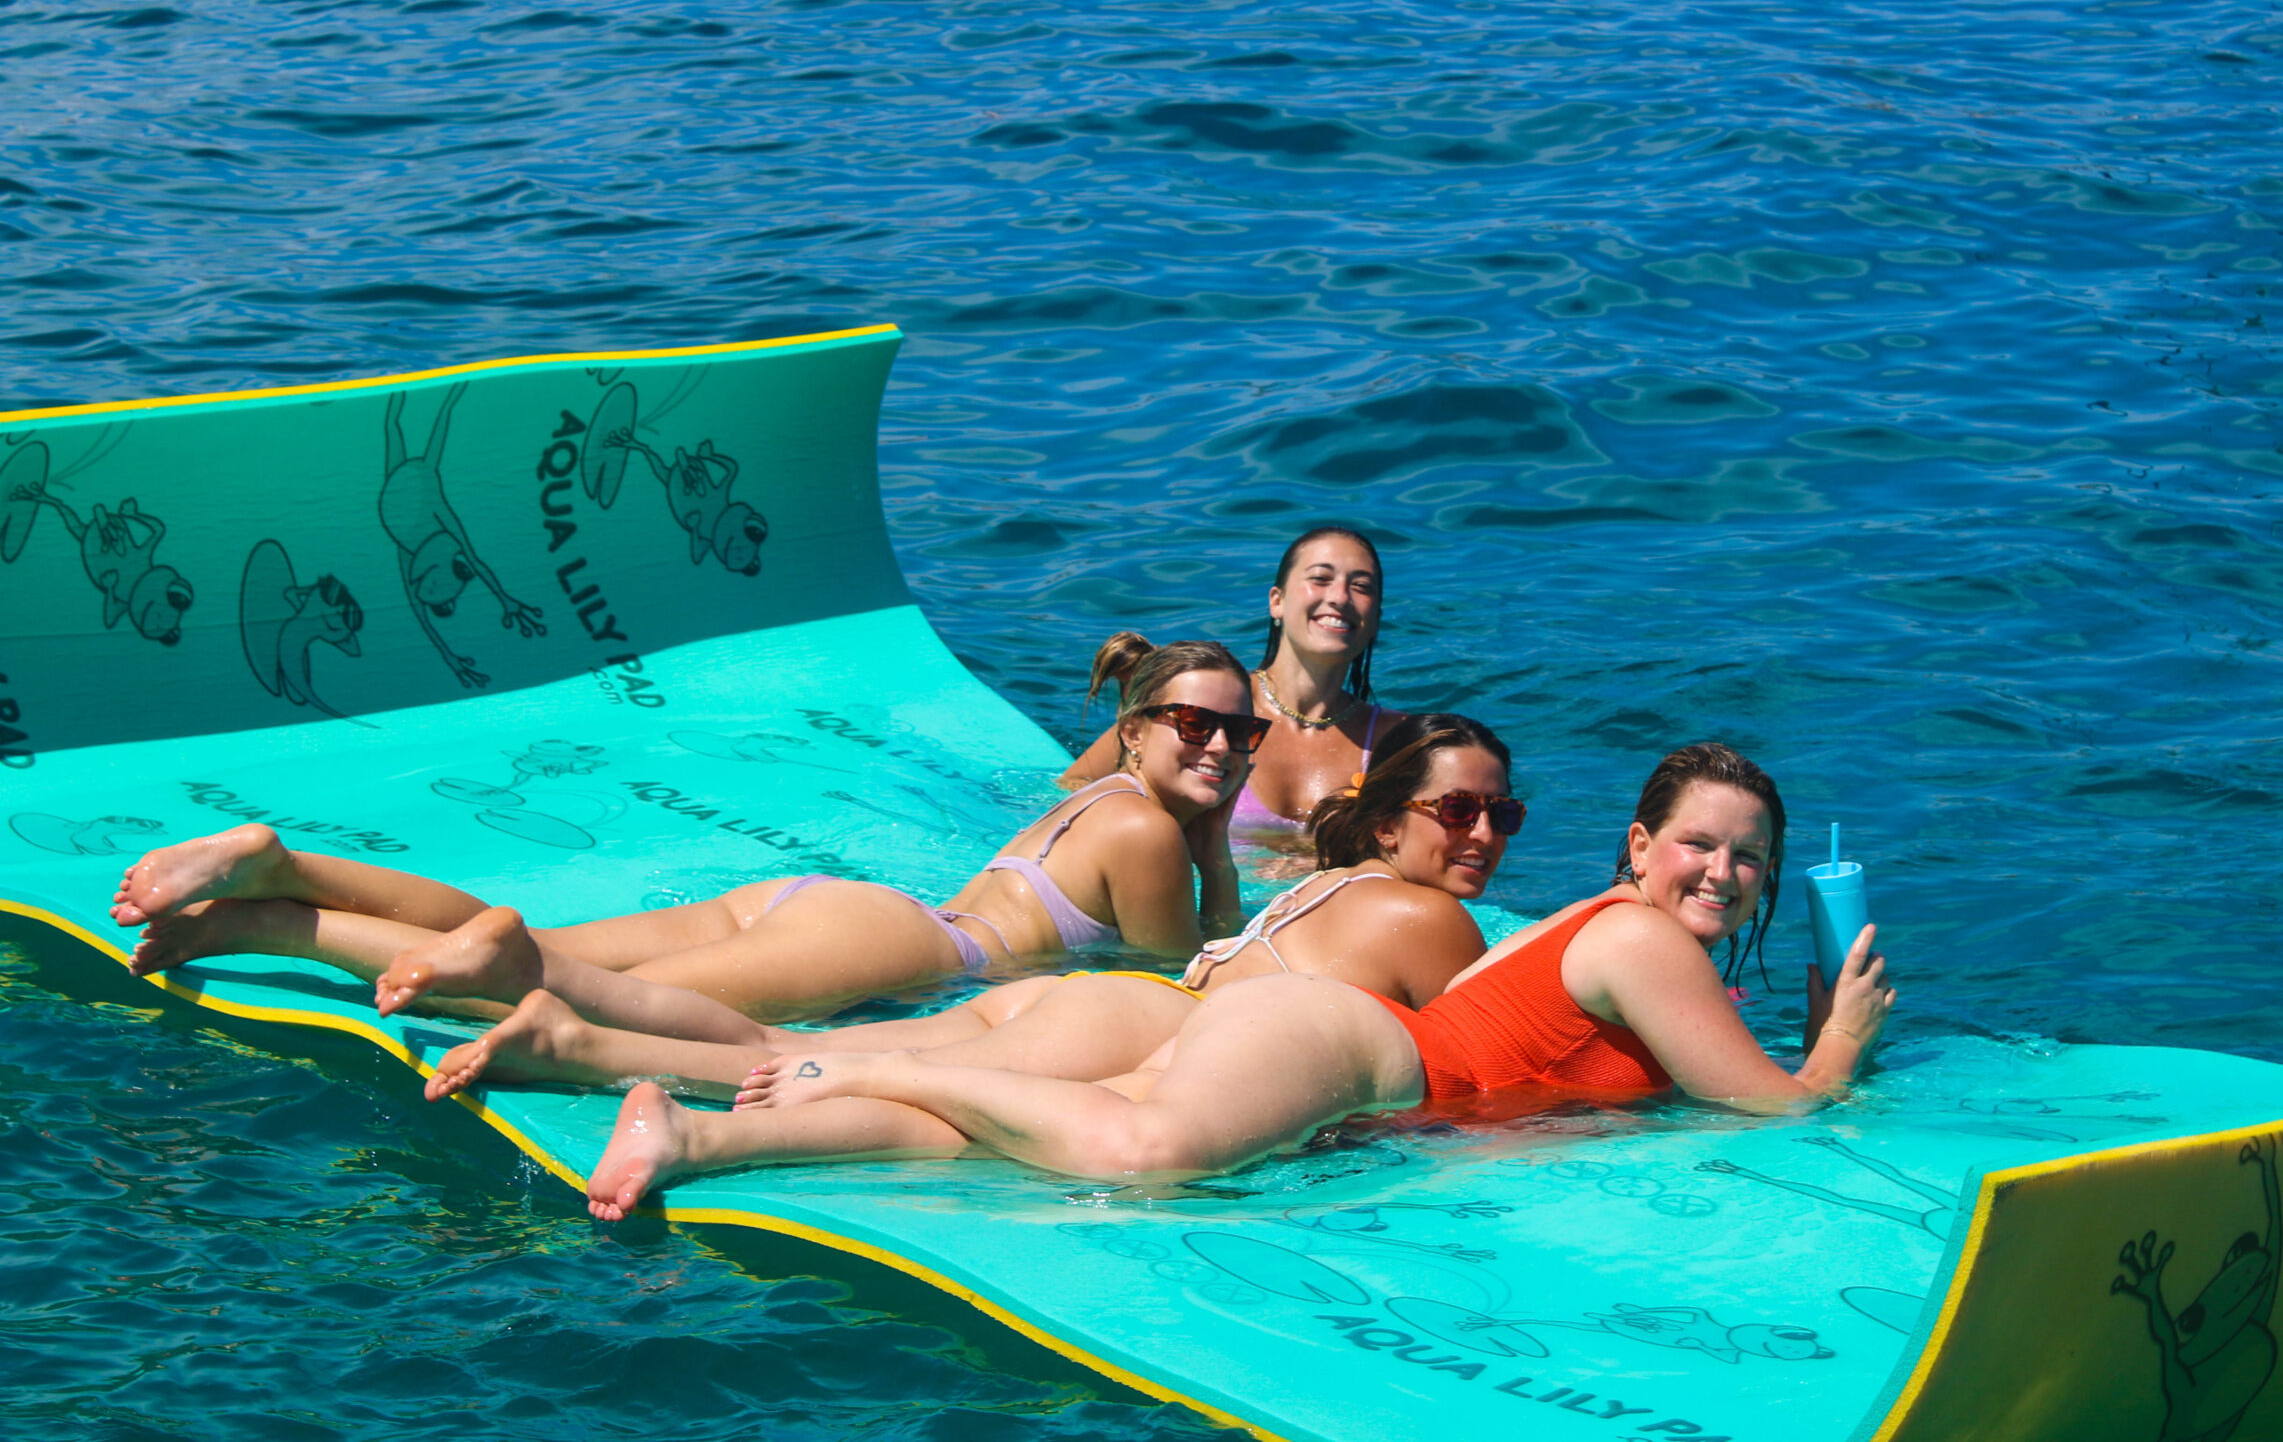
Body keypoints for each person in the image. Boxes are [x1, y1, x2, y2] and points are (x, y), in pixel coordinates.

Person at [582, 741, 1898, 1216]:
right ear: (1641, 846)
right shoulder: (1649, 940)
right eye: (1699, 844)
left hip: (1341, 1055)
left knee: (995, 1143)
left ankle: (691, 1132)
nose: (1720, 872)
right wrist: (1837, 1042)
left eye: (1748, 856)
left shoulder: (1595, 921)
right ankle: (870, 1058)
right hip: (1347, 1045)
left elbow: (1536, 1061)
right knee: (1148, 1151)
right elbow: (1768, 1107)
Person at [110, 639, 1259, 1033]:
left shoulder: (1088, 800)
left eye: (1240, 734)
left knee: (546, 946)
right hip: (904, 949)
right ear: (1137, 727)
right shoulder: (1147, 835)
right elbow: (1169, 976)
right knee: (541, 986)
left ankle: (284, 867)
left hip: (820, 905)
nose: (1219, 747)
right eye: (1193, 725)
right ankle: (269, 920)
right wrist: (1214, 854)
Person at [420, 714, 1517, 1104]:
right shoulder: (1431, 924)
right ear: (1388, 823)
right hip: (1126, 1020)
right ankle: (572, 1042)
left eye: (1502, 815)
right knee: (850, 1081)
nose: (1482, 835)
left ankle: (563, 1022)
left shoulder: (1330, 882)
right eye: (1458, 811)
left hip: (1083, 996)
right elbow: (1476, 1063)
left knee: (787, 1048)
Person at [1063, 528, 1400, 858]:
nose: (1340, 597)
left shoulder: (1396, 741)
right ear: (1277, 602)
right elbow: (1075, 786)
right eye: (1320, 579)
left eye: (1361, 587)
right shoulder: (1207, 701)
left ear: (1375, 619)